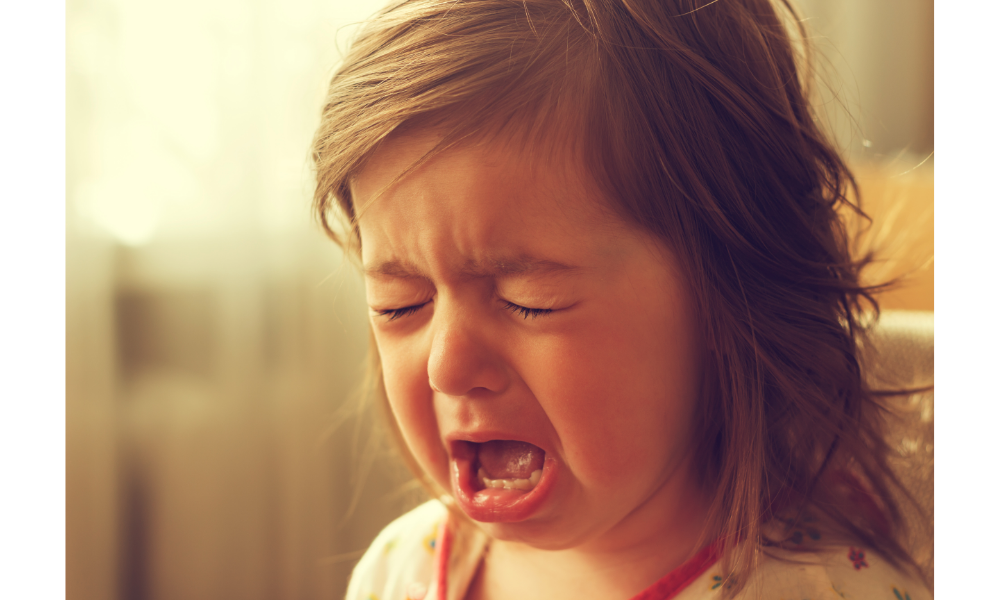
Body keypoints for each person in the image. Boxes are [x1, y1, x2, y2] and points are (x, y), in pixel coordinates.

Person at [311, 0, 932, 598]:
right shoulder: (400, 569)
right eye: (398, 304)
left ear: (724, 292)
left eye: (532, 300)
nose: (447, 366)